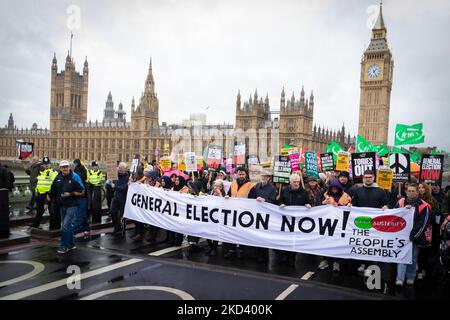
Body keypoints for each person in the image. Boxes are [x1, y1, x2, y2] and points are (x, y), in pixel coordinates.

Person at [348, 170, 390, 290]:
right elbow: (354, 205)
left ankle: (370, 268)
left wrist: (386, 207)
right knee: (361, 244)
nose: (367, 179)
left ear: (373, 178)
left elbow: (385, 205)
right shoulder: (358, 191)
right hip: (360, 224)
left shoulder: (380, 191)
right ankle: (363, 264)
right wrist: (350, 206)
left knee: (372, 246)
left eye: (370, 177)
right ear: (363, 178)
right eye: (365, 177)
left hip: (374, 225)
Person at [395, 183, 431, 286]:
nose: (410, 193)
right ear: (406, 192)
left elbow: (423, 223)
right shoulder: (401, 202)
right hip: (401, 236)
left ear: (417, 192)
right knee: (401, 257)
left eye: (413, 191)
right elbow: (393, 214)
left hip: (415, 237)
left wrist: (414, 236)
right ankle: (400, 279)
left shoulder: (424, 206)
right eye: (409, 191)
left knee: (412, 258)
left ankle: (410, 276)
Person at [49, 160, 85, 254]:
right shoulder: (58, 177)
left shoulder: (75, 176)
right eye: (63, 167)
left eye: (66, 166)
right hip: (62, 205)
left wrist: (71, 194)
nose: (65, 168)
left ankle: (63, 246)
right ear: (60, 168)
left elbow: (82, 191)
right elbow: (52, 191)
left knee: (65, 225)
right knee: (67, 225)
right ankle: (71, 244)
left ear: (69, 167)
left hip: (73, 204)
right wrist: (46, 202)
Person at [279, 173, 312, 266]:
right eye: (294, 182)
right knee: (286, 238)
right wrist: (281, 203)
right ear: (290, 182)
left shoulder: (304, 192)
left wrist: (308, 205)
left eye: (298, 182)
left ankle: (292, 257)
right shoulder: (285, 191)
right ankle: (285, 255)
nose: (297, 183)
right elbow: (280, 200)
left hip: (298, 220)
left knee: (294, 239)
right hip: (287, 219)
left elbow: (308, 202)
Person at [318, 179, 352, 272]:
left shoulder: (345, 196)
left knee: (337, 242)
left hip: (340, 223)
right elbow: (321, 205)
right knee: (326, 242)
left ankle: (337, 261)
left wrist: (349, 204)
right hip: (328, 222)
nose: (334, 190)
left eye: (336, 189)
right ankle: (325, 260)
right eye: (332, 189)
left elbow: (349, 203)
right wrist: (324, 202)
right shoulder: (326, 195)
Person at [223, 167, 255, 259]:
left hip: (244, 213)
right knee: (232, 231)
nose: (241, 176)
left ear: (246, 175)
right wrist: (226, 197)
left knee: (242, 232)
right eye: (239, 174)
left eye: (243, 174)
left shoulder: (250, 185)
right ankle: (231, 250)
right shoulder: (233, 183)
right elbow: (229, 194)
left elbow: (252, 199)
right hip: (233, 211)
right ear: (237, 174)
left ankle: (241, 250)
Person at [248, 170, 277, 263]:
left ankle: (264, 255)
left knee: (264, 235)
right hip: (256, 214)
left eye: (266, 176)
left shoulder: (272, 188)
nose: (264, 178)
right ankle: (257, 253)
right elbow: (250, 198)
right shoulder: (256, 186)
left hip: (266, 215)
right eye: (262, 176)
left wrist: (265, 200)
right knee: (256, 234)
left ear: (269, 178)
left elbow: (273, 202)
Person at [417, 183, 440, 280]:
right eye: (419, 188)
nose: (421, 189)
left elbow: (438, 215)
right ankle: (418, 269)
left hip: (428, 229)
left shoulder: (432, 200)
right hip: (417, 227)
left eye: (423, 187)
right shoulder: (416, 199)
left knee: (425, 250)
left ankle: (423, 269)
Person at [29, 157, 58, 228]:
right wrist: (36, 190)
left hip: (48, 194)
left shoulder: (53, 173)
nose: (46, 165)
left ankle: (53, 226)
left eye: (47, 164)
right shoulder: (41, 173)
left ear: (50, 164)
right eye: (44, 164)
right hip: (40, 194)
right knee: (39, 210)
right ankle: (36, 224)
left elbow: (53, 184)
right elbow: (39, 183)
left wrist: (49, 194)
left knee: (52, 211)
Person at [205, 179, 226, 256]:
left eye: (218, 186)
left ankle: (214, 248)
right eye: (215, 186)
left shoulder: (223, 193)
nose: (216, 187)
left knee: (215, 233)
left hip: (217, 216)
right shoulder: (211, 192)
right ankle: (211, 247)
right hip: (209, 214)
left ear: (221, 187)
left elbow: (224, 202)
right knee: (207, 232)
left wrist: (220, 193)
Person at [73, 159, 91, 239]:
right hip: (78, 195)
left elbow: (85, 177)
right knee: (82, 215)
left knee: (79, 215)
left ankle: (72, 232)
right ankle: (87, 228)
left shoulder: (83, 169)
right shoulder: (75, 169)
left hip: (83, 195)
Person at [110, 162, 129, 236]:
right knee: (112, 212)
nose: (120, 169)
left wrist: (115, 187)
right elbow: (112, 183)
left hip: (123, 199)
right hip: (116, 197)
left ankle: (122, 230)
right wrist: (109, 183)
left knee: (122, 215)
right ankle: (116, 228)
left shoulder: (127, 177)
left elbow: (125, 188)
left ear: (125, 169)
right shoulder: (116, 175)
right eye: (119, 167)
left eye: (121, 168)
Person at [0, 163, 10, 237]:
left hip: (2, 193)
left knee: (3, 213)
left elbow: (7, 182)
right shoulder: (3, 169)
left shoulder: (3, 170)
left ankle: (4, 231)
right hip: (3, 192)